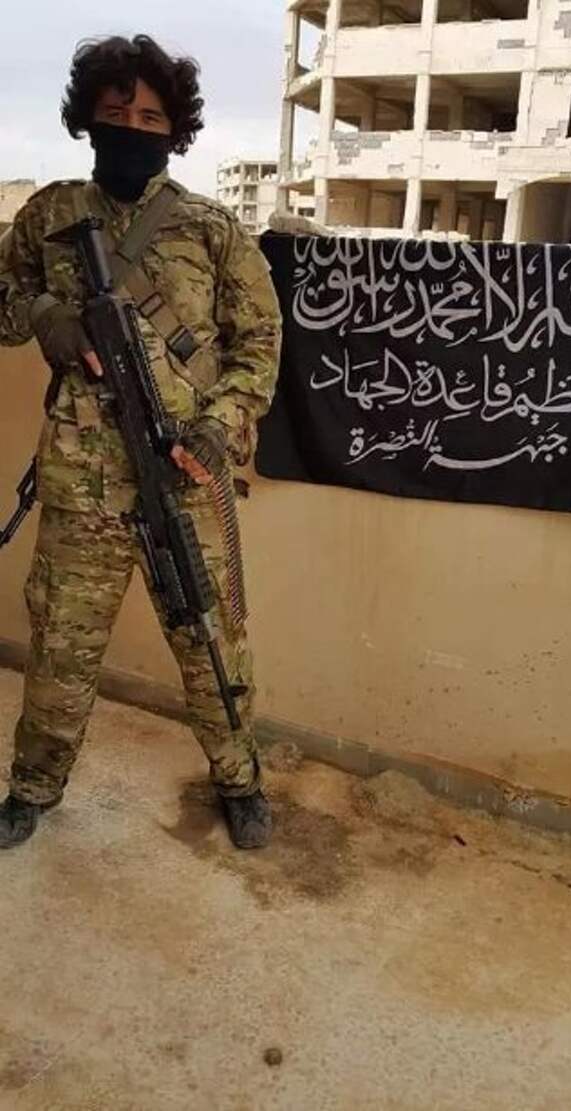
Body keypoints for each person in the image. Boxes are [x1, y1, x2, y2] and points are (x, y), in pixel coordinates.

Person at [0, 34, 282, 850]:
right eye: (116, 113)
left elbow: (259, 346)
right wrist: (47, 318)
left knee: (210, 638)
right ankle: (32, 788)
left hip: (182, 476)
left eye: (151, 117)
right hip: (81, 479)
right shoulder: (50, 215)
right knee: (61, 644)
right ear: (88, 118)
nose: (132, 128)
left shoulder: (210, 229)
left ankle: (240, 780)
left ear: (175, 129)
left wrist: (217, 429)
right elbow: (2, 295)